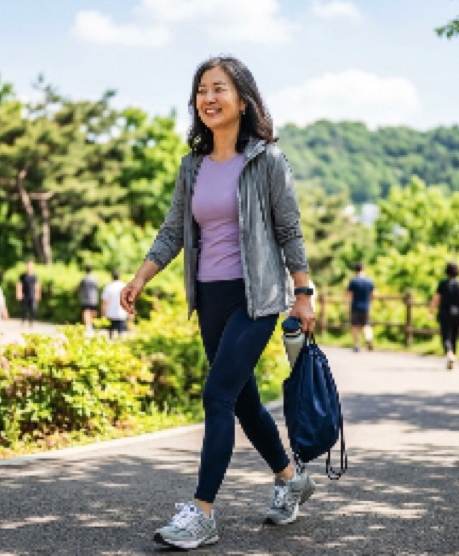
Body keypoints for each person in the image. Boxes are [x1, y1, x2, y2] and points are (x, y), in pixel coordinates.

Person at [120, 55, 316, 550]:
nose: (208, 98)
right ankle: (290, 477)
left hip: (258, 297)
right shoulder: (193, 167)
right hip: (210, 297)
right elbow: (173, 232)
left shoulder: (267, 160)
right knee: (244, 400)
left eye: (219, 89)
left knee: (217, 396)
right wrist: (140, 277)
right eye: (201, 90)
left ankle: (202, 511)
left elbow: (289, 229)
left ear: (242, 99)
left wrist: (304, 293)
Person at [429, 261, 459, 370]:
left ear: (446, 271)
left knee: (446, 336)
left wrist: (431, 312)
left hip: (445, 314)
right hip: (457, 314)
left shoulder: (443, 284)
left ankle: (449, 353)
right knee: (454, 337)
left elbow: (436, 299)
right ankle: (452, 356)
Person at [346, 261, 375, 352]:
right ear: (363, 269)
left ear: (355, 270)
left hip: (355, 306)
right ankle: (368, 338)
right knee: (366, 324)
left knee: (354, 326)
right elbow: (373, 294)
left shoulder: (353, 281)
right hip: (366, 306)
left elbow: (349, 295)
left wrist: (347, 306)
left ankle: (357, 344)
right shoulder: (369, 281)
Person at [101, 270, 128, 338]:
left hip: (110, 314)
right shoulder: (124, 286)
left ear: (112, 277)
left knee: (110, 336)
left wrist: (103, 313)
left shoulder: (108, 287)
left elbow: (104, 302)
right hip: (122, 314)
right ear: (120, 276)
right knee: (121, 335)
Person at [16, 260, 42, 327]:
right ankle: (23, 320)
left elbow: (37, 285)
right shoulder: (23, 276)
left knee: (33, 308)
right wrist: (19, 293)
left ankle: (31, 321)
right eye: (28, 265)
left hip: (32, 295)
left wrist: (38, 294)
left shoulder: (35, 276)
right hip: (25, 295)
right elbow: (19, 284)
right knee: (24, 308)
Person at [78, 265, 99, 332]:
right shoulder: (95, 279)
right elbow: (97, 288)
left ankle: (87, 325)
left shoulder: (84, 279)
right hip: (93, 299)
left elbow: (79, 288)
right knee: (93, 311)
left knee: (85, 312)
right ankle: (93, 324)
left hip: (85, 299)